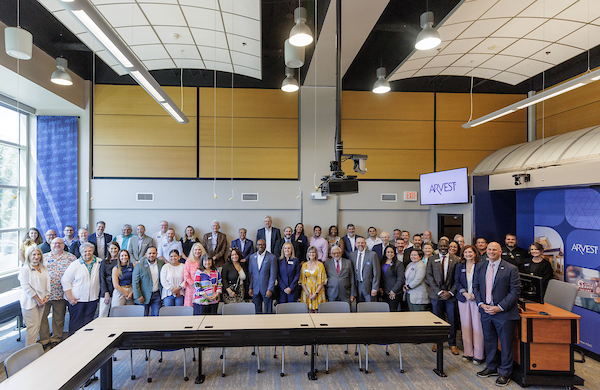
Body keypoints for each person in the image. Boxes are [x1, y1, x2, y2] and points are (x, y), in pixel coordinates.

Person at [474, 242, 521, 387]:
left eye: (494, 249)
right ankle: (491, 366)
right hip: (485, 311)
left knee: (506, 343)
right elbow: (476, 287)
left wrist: (499, 307)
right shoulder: (480, 266)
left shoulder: (511, 269)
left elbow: (515, 292)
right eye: (489, 249)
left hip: (503, 313)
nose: (491, 251)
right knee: (489, 340)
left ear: (500, 252)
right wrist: (481, 304)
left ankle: (505, 372)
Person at [40, 238, 76, 349]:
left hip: (61, 293)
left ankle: (56, 338)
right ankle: (44, 340)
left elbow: (75, 275)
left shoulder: (71, 258)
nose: (57, 245)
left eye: (60, 243)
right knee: (42, 318)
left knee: (59, 318)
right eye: (55, 243)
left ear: (63, 245)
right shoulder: (43, 257)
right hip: (44, 294)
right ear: (50, 245)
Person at [426, 238, 460, 355]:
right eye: (441, 246)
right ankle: (437, 341)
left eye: (445, 246)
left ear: (449, 247)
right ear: (438, 247)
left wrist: (450, 292)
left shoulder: (456, 260)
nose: (443, 248)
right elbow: (429, 277)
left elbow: (458, 278)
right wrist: (439, 292)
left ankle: (452, 343)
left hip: (451, 295)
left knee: (452, 320)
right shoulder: (431, 259)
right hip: (436, 295)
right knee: (437, 320)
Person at [62, 242, 101, 335]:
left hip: (92, 298)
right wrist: (70, 297)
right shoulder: (75, 264)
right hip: (77, 299)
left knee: (89, 322)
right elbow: (65, 280)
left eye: (90, 251)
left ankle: (86, 342)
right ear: (81, 252)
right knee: (76, 323)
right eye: (85, 251)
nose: (87, 253)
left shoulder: (100, 262)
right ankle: (73, 343)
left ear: (93, 251)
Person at [455, 245, 484, 365]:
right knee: (466, 326)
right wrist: (465, 293)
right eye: (465, 252)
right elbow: (456, 281)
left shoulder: (481, 266)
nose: (468, 254)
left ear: (475, 253)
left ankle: (478, 355)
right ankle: (468, 352)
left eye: (470, 252)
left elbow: (483, 283)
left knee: (478, 326)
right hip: (464, 299)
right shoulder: (459, 266)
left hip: (477, 300)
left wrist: (475, 295)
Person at [19, 247, 50, 346]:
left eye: (39, 254)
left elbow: (48, 284)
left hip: (42, 301)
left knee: (37, 327)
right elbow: (26, 287)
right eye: (34, 254)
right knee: (32, 328)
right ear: (29, 256)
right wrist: (38, 300)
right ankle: (28, 353)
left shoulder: (43, 268)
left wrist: (46, 297)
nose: (37, 257)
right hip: (30, 302)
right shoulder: (25, 269)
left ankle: (32, 350)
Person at [132, 246, 164, 316]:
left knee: (156, 317)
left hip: (157, 296)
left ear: (157, 254)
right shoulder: (139, 265)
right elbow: (135, 282)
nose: (151, 255)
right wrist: (138, 296)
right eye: (149, 253)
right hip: (143, 296)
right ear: (145, 254)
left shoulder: (161, 263)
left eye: (153, 253)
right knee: (143, 317)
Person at [248, 239, 278, 314]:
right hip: (255, 288)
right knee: (257, 311)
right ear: (256, 245)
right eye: (258, 244)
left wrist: (270, 289)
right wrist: (250, 287)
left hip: (266, 289)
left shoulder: (272, 257)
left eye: (262, 244)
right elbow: (251, 274)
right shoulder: (252, 257)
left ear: (265, 245)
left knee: (268, 311)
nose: (260, 246)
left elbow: (273, 275)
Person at [349, 237, 380, 302]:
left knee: (370, 308)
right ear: (355, 244)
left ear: (365, 243)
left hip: (369, 286)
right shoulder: (352, 255)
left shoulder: (372, 255)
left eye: (362, 243)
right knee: (359, 306)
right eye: (358, 243)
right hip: (357, 286)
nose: (360, 244)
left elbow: (376, 273)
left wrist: (375, 288)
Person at [300, 246, 327, 312]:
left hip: (318, 291)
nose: (311, 254)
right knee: (308, 312)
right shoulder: (304, 265)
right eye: (310, 252)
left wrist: (316, 293)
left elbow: (322, 281)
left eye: (313, 252)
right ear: (307, 254)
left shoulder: (320, 265)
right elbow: (302, 280)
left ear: (316, 254)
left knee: (317, 312)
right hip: (307, 292)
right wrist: (308, 294)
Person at [379, 245, 405, 311]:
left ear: (394, 253)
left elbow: (400, 279)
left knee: (392, 312)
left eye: (391, 252)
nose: (389, 254)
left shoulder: (399, 264)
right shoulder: (381, 262)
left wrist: (394, 290)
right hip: (384, 292)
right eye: (388, 252)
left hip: (394, 292)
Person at [98, 241, 120, 317]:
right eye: (111, 248)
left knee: (116, 313)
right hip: (107, 290)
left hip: (118, 291)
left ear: (118, 249)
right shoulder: (104, 261)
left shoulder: (121, 261)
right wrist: (105, 293)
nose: (113, 250)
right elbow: (102, 278)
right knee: (103, 313)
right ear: (108, 249)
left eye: (115, 248)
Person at [184, 243, 207, 307]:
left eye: (199, 249)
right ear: (193, 251)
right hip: (191, 288)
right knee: (190, 309)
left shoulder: (205, 261)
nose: (197, 251)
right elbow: (186, 276)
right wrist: (195, 285)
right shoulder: (189, 261)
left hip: (203, 288)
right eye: (195, 250)